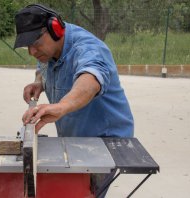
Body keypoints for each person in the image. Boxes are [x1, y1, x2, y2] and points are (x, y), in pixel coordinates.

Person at [14, 4, 134, 197]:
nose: (32, 51)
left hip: (105, 142)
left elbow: (90, 81)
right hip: (75, 138)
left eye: (35, 43)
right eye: (27, 45)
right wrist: (39, 83)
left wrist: (61, 106)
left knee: (81, 193)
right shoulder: (48, 50)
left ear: (55, 29)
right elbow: (42, 67)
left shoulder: (88, 48)